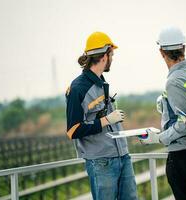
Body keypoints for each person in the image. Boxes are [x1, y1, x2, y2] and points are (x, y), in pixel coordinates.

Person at [65, 32, 137, 200]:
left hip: (122, 157)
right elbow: (73, 131)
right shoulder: (77, 88)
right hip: (101, 163)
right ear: (104, 56)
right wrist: (106, 120)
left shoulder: (101, 82)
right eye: (112, 54)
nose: (113, 58)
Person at [139, 27, 186, 200]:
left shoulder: (174, 81)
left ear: (161, 52)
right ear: (183, 47)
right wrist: (166, 103)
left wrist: (160, 138)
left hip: (183, 155)